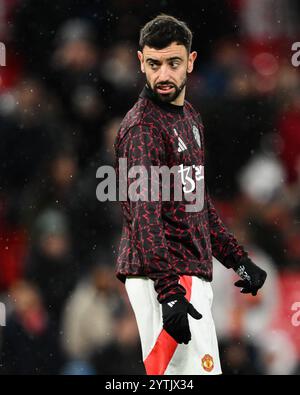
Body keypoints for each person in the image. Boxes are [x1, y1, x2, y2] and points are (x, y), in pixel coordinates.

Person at [113, 14, 267, 375]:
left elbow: (196, 205)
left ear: (191, 61)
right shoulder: (143, 128)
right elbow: (144, 214)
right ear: (140, 62)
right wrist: (168, 292)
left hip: (187, 276)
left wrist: (238, 260)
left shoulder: (189, 118)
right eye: (153, 64)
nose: (163, 75)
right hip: (165, 277)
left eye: (173, 63)